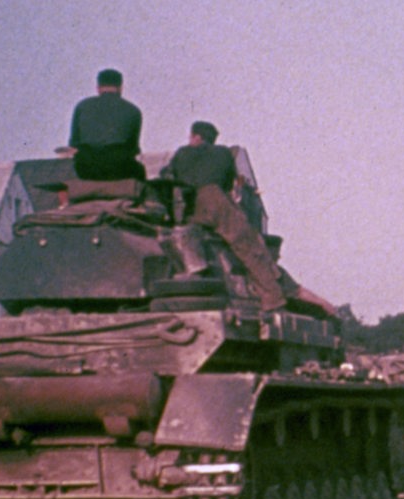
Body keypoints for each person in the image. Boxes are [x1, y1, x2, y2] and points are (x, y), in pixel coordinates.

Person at [163, 121, 284, 311]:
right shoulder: (223, 153)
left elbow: (167, 176)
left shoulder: (181, 153)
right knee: (247, 245)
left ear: (195, 136)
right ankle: (272, 298)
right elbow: (228, 186)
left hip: (188, 205)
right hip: (214, 199)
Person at [68, 69, 145, 181]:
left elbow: (74, 143)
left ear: (98, 88)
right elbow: (133, 148)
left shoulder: (82, 107)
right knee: (140, 171)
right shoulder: (133, 110)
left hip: (86, 168)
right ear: (120, 87)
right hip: (119, 168)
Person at [262, 234, 337, 317]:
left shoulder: (278, 272)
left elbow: (297, 291)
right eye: (275, 253)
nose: (279, 257)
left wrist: (323, 304)